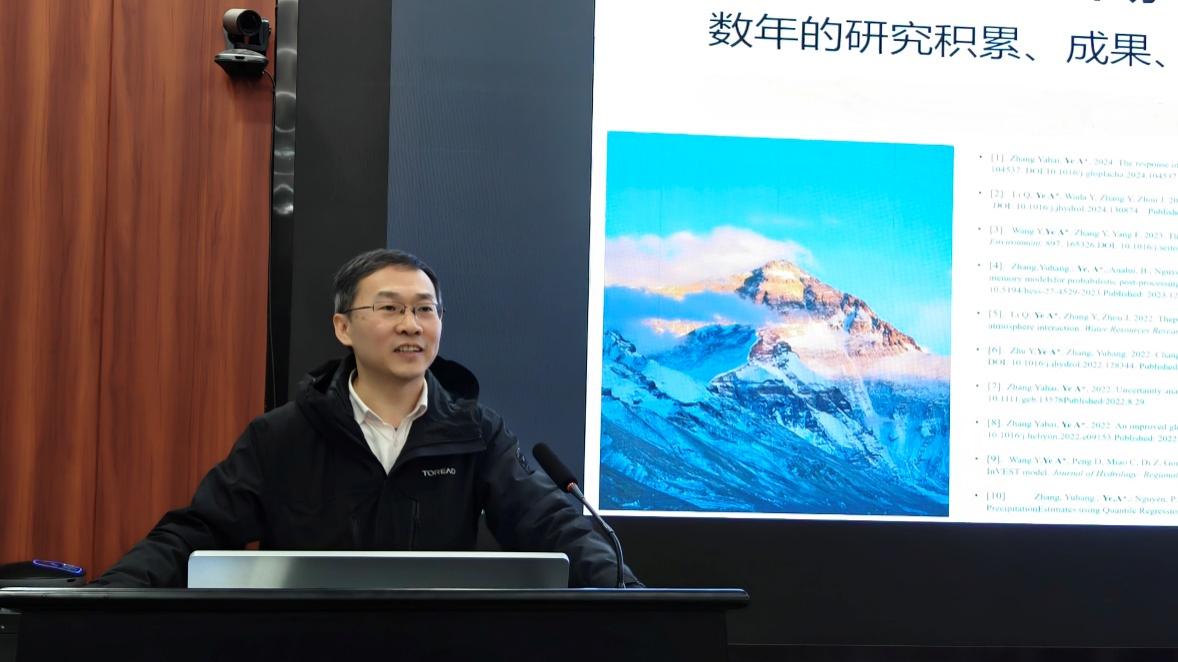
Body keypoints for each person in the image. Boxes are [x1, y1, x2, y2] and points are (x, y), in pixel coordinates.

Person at [92, 249, 639, 588]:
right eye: (390, 308)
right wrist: (108, 597)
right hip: (306, 646)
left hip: (437, 645)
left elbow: (551, 524)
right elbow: (198, 531)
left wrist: (634, 598)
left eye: (424, 309)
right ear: (343, 327)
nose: (411, 325)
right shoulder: (283, 435)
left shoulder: (475, 432)